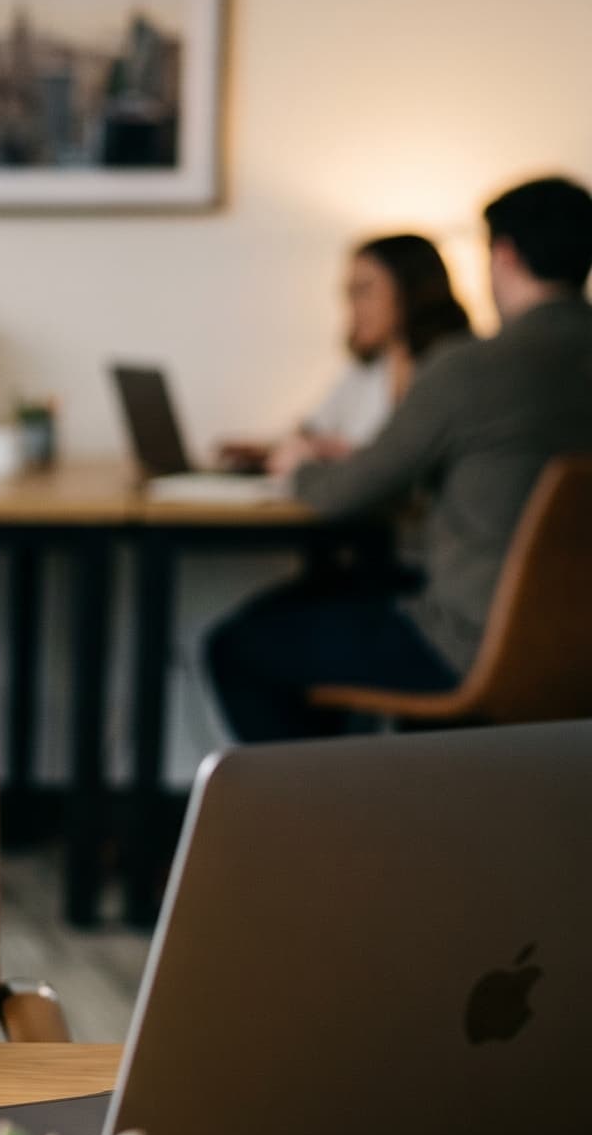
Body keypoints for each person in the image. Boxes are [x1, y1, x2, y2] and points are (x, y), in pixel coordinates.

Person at [207, 176, 592, 742]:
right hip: (573, 645)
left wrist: (300, 468)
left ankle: (325, 823)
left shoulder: (470, 368)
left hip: (467, 643)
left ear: (504, 255)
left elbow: (343, 496)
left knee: (238, 647)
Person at [219, 234, 474, 472]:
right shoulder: (366, 369)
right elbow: (311, 430)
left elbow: (412, 460)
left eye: (363, 290)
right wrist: (267, 450)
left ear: (411, 287)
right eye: (348, 294)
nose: (353, 307)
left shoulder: (456, 367)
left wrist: (341, 453)